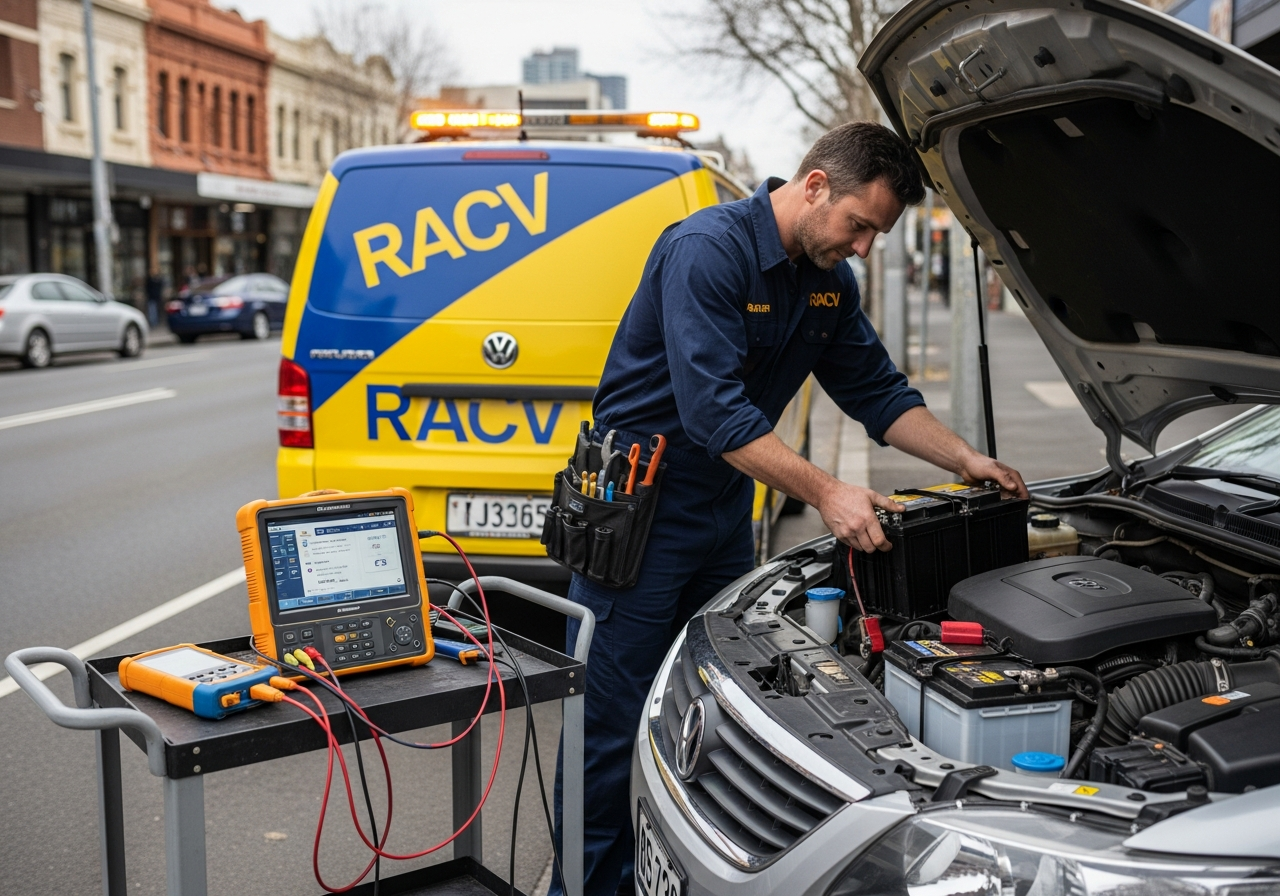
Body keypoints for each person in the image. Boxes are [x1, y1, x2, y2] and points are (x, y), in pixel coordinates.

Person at [550, 121, 1028, 896]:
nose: (866, 246)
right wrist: (829, 492)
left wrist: (966, 459)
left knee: (711, 712)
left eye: (878, 232)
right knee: (609, 730)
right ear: (813, 187)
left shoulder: (829, 281)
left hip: (722, 510)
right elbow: (716, 416)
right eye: (860, 225)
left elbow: (875, 392)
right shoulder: (707, 251)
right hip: (638, 518)